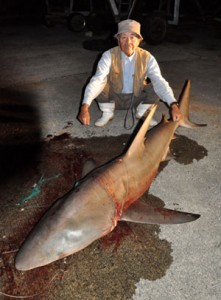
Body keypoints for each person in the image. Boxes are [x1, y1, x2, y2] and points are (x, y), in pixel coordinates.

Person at [78, 19, 182, 128]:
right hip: (114, 98)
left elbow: (159, 81)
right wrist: (84, 106)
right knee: (99, 82)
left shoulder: (147, 57)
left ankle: (141, 112)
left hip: (137, 97)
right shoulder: (108, 55)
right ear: (118, 40)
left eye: (132, 37)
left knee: (155, 86)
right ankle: (107, 113)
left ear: (139, 40)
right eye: (123, 37)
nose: (128, 42)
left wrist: (174, 105)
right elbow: (97, 80)